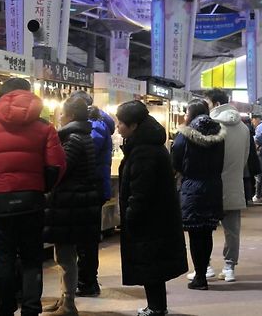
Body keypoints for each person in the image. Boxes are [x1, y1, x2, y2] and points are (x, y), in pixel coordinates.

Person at [0, 78, 66, 316]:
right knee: (32, 258)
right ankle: (31, 309)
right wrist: (41, 187)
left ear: (1, 97)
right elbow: (58, 166)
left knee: (5, 258)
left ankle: (6, 309)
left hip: (0, 203)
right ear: (29, 96)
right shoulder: (45, 128)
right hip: (32, 202)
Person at [116, 100, 187, 316]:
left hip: (149, 219)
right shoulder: (147, 146)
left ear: (134, 125)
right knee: (153, 265)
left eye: (120, 123)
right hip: (157, 218)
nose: (117, 127)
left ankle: (156, 308)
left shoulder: (143, 152)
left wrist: (130, 214)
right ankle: (156, 306)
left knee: (151, 265)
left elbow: (141, 191)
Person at [43, 97, 102, 316]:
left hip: (71, 203)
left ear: (70, 116)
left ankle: (68, 304)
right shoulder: (82, 135)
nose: (59, 117)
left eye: (61, 114)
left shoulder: (73, 139)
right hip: (76, 202)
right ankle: (64, 299)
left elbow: (61, 169)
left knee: (65, 256)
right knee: (65, 255)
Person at [171, 99, 226, 290]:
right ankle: (203, 272)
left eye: (186, 112)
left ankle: (200, 276)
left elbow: (176, 158)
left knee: (195, 234)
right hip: (213, 186)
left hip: (192, 186)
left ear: (192, 113)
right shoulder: (219, 134)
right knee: (206, 231)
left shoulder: (185, 135)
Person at [69, 90, 114, 296]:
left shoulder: (95, 126)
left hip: (92, 187)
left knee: (86, 238)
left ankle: (87, 282)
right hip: (94, 186)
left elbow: (85, 155)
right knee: (87, 237)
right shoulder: (98, 123)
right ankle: (87, 281)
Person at [210, 98, 250, 283]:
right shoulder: (243, 128)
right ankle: (229, 267)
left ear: (214, 103)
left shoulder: (211, 125)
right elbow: (245, 160)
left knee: (204, 229)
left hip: (211, 185)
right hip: (234, 185)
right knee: (232, 231)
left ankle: (205, 266)